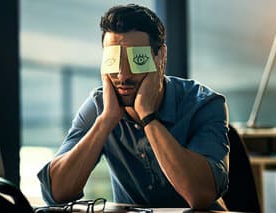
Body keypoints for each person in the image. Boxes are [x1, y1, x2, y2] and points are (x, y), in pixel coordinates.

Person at [37, 4, 229, 211]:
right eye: (114, 61)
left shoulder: (204, 104)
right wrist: (106, 120)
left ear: (160, 57)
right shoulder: (99, 106)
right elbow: (56, 194)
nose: (123, 76)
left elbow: (200, 196)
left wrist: (149, 118)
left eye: (137, 60)